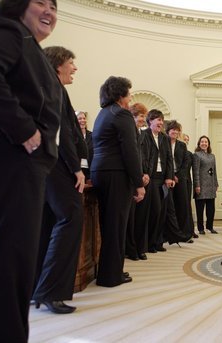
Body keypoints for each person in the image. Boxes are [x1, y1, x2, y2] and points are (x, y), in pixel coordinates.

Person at [0, 0, 61, 340]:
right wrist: (23, 128)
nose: (50, 11)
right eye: (40, 1)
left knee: (15, 260)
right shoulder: (9, 33)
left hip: (23, 164)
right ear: (17, 6)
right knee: (7, 261)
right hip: (10, 159)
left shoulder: (29, 45)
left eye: (55, 6)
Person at [33, 46, 87, 314]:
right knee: (71, 218)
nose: (74, 68)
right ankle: (50, 291)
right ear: (58, 65)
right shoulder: (54, 88)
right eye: (71, 62)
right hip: (56, 166)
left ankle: (37, 288)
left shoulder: (44, 86)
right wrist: (76, 168)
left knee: (47, 223)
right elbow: (62, 133)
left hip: (43, 166)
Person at [91, 76, 145, 287]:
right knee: (116, 225)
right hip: (116, 174)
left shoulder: (102, 114)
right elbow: (130, 152)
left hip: (101, 171)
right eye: (129, 94)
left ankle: (109, 271)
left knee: (108, 224)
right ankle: (111, 276)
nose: (130, 99)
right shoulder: (121, 114)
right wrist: (139, 183)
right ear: (120, 95)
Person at [144, 109, 175, 253]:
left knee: (162, 212)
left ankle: (157, 242)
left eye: (162, 120)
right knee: (154, 211)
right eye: (158, 120)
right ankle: (149, 243)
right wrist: (144, 173)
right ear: (150, 121)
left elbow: (169, 159)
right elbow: (142, 157)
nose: (161, 123)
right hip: (150, 178)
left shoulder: (164, 138)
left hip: (162, 179)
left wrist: (169, 177)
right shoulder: (143, 135)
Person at [125, 103, 150, 261]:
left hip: (140, 176)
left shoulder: (140, 133)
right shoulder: (129, 131)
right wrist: (138, 177)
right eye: (140, 116)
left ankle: (136, 247)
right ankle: (130, 249)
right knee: (129, 218)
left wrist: (144, 173)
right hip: (130, 179)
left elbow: (141, 156)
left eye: (143, 116)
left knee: (137, 217)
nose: (143, 119)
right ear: (133, 116)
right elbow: (130, 156)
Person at [167, 121, 194, 242]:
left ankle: (184, 234)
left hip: (180, 179)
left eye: (177, 130)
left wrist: (177, 175)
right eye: (173, 129)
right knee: (169, 207)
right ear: (168, 131)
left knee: (183, 205)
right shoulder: (163, 142)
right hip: (166, 178)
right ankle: (169, 234)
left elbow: (185, 163)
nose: (175, 132)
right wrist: (171, 175)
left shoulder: (182, 145)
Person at [193, 135, 219, 234]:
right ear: (199, 144)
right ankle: (200, 228)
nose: (204, 143)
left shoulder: (212, 156)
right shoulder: (196, 155)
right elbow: (195, 171)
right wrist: (197, 185)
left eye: (206, 142)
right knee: (200, 209)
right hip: (201, 185)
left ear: (208, 144)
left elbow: (214, 170)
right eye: (202, 142)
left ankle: (210, 227)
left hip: (211, 185)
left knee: (211, 209)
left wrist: (216, 183)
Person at [182, 133, 198, 238]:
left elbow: (195, 171)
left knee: (187, 206)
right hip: (176, 182)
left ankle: (190, 230)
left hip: (187, 182)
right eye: (184, 139)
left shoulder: (190, 154)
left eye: (187, 140)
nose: (186, 141)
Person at [76, 110, 93, 180]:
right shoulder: (72, 137)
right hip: (78, 172)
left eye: (84, 118)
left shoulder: (92, 135)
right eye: (80, 119)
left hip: (91, 171)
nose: (83, 120)